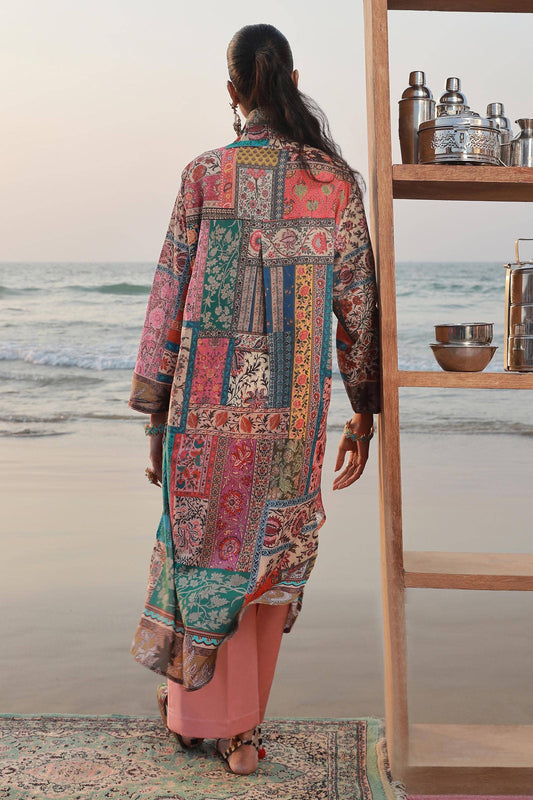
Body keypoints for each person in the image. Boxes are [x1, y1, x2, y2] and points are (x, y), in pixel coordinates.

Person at [129, 23, 380, 776]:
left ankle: (192, 715)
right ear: (293, 80)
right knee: (267, 552)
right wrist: (363, 410)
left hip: (204, 412)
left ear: (233, 88)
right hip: (292, 413)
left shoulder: (204, 174)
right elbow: (358, 305)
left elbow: (168, 296)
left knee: (202, 547)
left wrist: (156, 414)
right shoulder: (335, 183)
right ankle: (241, 733)